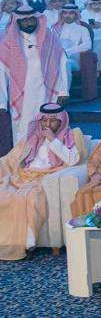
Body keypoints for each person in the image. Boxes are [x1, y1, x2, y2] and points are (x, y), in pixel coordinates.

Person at [0, 103, 78, 260]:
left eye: (52, 120)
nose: (47, 124)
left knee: (27, 198)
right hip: (22, 176)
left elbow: (73, 160)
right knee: (5, 194)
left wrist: (53, 139)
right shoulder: (32, 137)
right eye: (44, 120)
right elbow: (12, 158)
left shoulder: (69, 137)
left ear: (61, 121)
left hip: (42, 179)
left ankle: (27, 244)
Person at [0, 7, 69, 141]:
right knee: (23, 129)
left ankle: (47, 154)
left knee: (49, 126)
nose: (29, 23)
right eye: (24, 20)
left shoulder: (49, 38)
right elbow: (1, 74)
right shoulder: (8, 43)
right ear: (17, 21)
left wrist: (63, 90)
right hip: (22, 95)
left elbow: (62, 62)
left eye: (32, 19)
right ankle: (23, 154)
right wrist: (1, 103)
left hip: (47, 91)